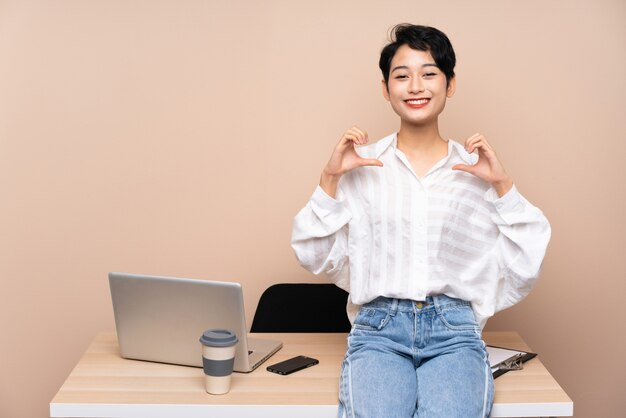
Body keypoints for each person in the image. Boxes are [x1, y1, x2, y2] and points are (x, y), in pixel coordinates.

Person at [291, 24, 551, 418]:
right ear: (385, 88)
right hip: (379, 330)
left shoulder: (475, 169)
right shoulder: (362, 164)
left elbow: (526, 264)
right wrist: (330, 178)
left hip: (454, 331)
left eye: (429, 73)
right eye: (402, 75)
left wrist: (502, 184)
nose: (415, 86)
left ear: (450, 84)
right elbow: (313, 255)